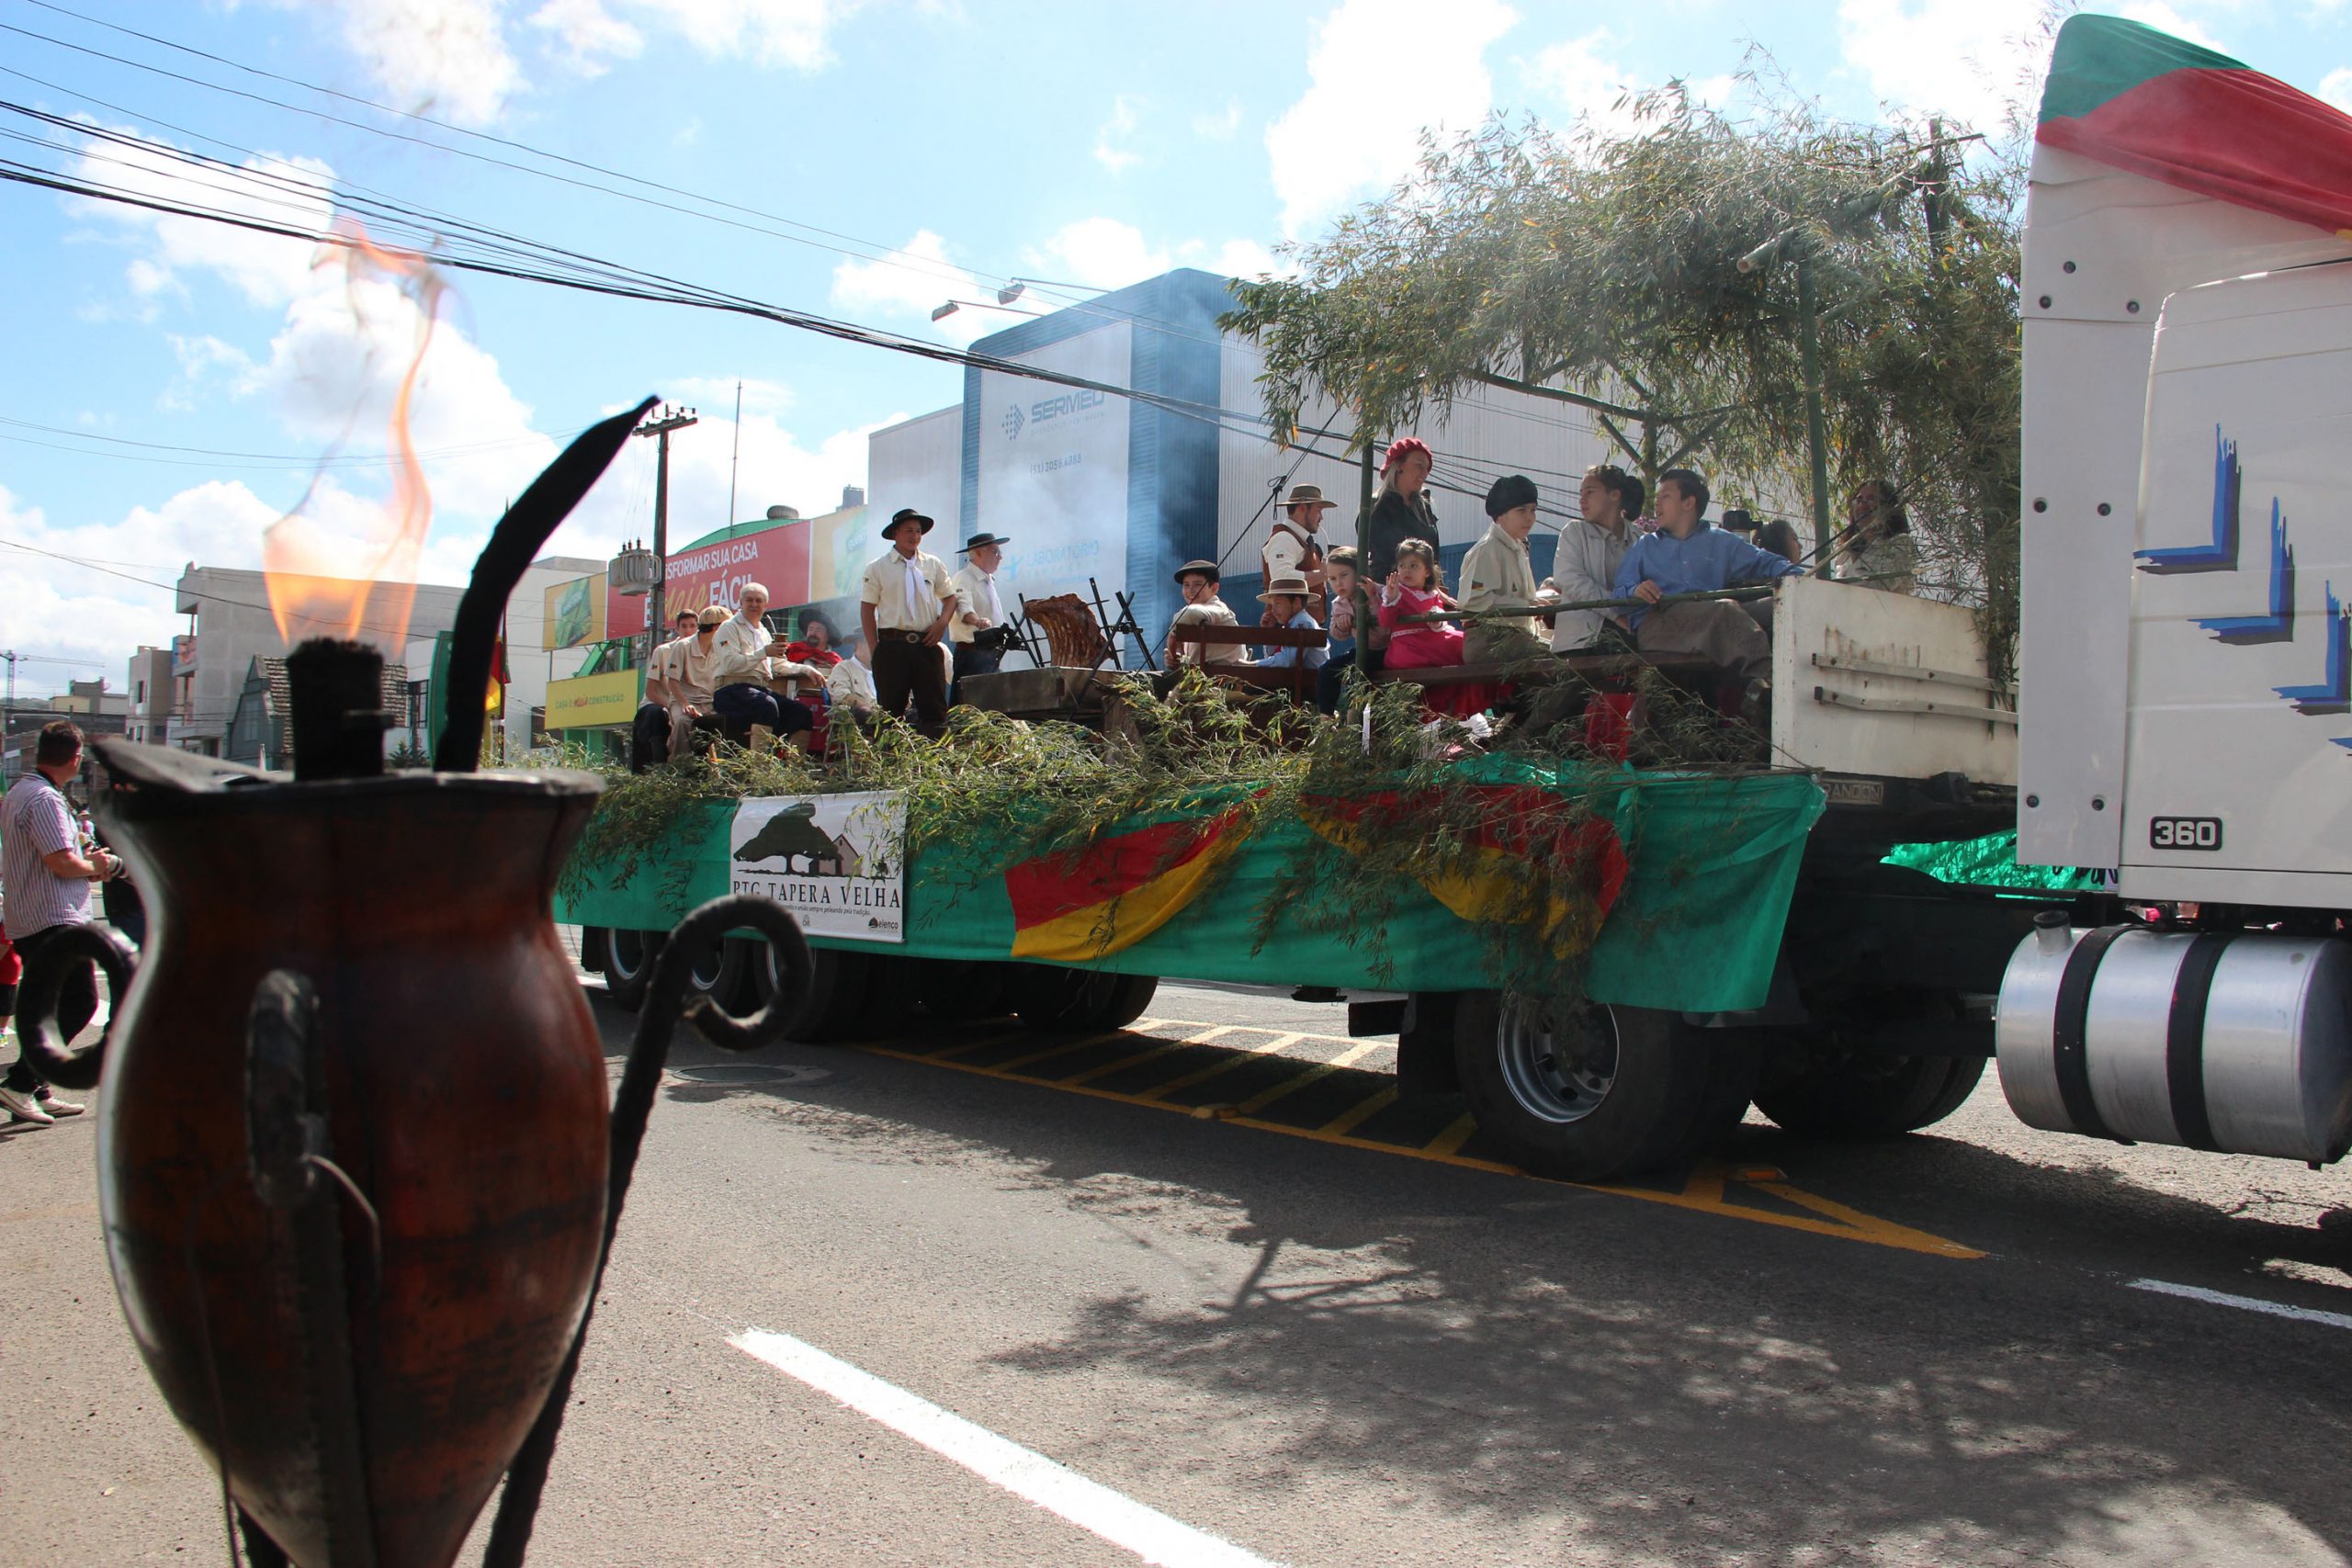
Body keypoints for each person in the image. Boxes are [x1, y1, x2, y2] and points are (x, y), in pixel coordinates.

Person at [0, 721, 111, 1126]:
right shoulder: (44, 798)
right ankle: (21, 1083)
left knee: (44, 1005)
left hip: (32, 915)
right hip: (53, 916)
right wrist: (95, 868)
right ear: (76, 758)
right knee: (80, 1000)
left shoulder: (22, 792)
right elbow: (61, 862)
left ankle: (37, 1088)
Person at [1611, 468, 1806, 682]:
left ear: (1688, 503)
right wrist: (1635, 590)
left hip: (1711, 613)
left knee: (1782, 603)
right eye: (1658, 498)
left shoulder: (1721, 541)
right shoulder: (1645, 546)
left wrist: (1803, 580)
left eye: (1665, 497)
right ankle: (1770, 682)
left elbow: (1765, 561)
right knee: (1725, 609)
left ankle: (1812, 674)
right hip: (1662, 622)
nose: (1657, 504)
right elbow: (1619, 594)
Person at [860, 507, 959, 734]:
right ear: (895, 533)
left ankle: (935, 761)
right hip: (892, 645)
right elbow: (867, 610)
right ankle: (891, 765)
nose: (914, 536)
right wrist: (876, 649)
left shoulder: (932, 564)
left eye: (918, 531)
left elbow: (951, 598)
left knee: (934, 710)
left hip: (927, 643)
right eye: (908, 531)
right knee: (890, 714)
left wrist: (942, 622)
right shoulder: (878, 567)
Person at [711, 582, 821, 752]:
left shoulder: (763, 632)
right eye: (749, 600)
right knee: (766, 705)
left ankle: (793, 769)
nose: (754, 604)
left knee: (801, 712)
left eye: (759, 601)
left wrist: (807, 670)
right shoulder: (729, 628)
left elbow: (777, 664)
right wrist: (763, 652)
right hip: (730, 689)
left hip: (758, 689)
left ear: (766, 605)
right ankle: (760, 770)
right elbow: (730, 663)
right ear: (740, 602)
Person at [1460, 474, 1555, 666]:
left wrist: (1531, 604)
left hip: (1514, 637)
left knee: (1568, 653)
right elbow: (1475, 601)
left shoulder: (1517, 548)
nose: (1530, 517)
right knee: (1560, 663)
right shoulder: (1487, 550)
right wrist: (1527, 606)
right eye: (1521, 510)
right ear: (1500, 515)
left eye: (1533, 510)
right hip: (1489, 640)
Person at [1552, 464, 1640, 653]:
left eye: (1590, 492)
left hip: (1630, 636)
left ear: (1615, 495)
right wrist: (1616, 612)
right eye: (1581, 494)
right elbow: (1569, 579)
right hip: (1579, 643)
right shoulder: (1574, 532)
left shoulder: (1638, 538)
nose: (1582, 500)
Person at [630, 607, 699, 771]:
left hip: (690, 704)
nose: (688, 630)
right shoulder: (663, 651)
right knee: (658, 715)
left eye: (692, 626)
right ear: (677, 629)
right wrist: (672, 705)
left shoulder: (703, 651)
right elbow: (651, 691)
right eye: (684, 626)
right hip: (660, 704)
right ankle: (659, 767)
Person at [1362, 437, 1438, 580]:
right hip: (1390, 592)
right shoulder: (1377, 507)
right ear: (1398, 466)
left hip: (1425, 592)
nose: (1425, 474)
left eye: (1427, 468)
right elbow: (1382, 559)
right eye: (1419, 465)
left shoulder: (1424, 508)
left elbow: (1434, 560)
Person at [949, 532, 1012, 695]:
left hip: (991, 653)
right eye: (995, 552)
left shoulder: (989, 581)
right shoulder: (964, 577)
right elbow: (963, 607)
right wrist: (978, 622)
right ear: (977, 553)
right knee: (969, 707)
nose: (1000, 557)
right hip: (972, 653)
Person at [1261, 483, 1331, 626]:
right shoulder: (1283, 538)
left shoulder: (1298, 540)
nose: (1321, 517)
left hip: (1299, 629)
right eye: (1318, 510)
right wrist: (1320, 575)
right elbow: (1281, 578)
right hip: (1289, 630)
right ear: (1301, 508)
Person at [1838, 479, 1917, 592]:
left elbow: (1879, 585)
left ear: (1888, 508)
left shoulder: (1901, 543)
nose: (1862, 505)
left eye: (1871, 499)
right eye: (1858, 500)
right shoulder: (1848, 550)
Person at [1165, 559, 1248, 668]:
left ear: (1214, 588)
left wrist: (1172, 635)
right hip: (1201, 678)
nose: (1190, 590)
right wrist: (1176, 658)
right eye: (1186, 585)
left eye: (1197, 585)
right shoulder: (1190, 617)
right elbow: (1189, 659)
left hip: (1222, 679)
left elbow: (1192, 612)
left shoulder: (1219, 609)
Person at [1316, 545, 1365, 712]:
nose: (1339, 583)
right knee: (1326, 670)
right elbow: (1337, 634)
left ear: (1358, 572)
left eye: (1344, 575)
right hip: (1360, 650)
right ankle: (1326, 721)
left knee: (1354, 671)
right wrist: (1341, 625)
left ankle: (1354, 717)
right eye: (1332, 579)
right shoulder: (1338, 603)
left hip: (1381, 649)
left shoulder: (1371, 593)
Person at [1253, 576, 1328, 670]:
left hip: (1307, 683)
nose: (1273, 610)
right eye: (1272, 605)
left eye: (1278, 604)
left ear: (1296, 602)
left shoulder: (1302, 623)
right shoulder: (1293, 624)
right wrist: (1269, 632)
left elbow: (1286, 661)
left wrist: (1255, 663)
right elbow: (1273, 656)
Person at [826, 633, 879, 720]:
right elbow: (841, 695)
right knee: (863, 713)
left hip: (888, 722)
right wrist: (866, 709)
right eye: (873, 643)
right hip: (860, 723)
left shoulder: (884, 671)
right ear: (859, 645)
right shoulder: (843, 668)